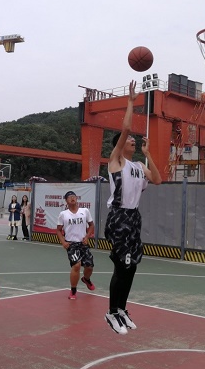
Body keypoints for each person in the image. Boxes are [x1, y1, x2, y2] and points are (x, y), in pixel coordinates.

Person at [104, 80, 162, 335]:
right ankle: (111, 312)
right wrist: (130, 102)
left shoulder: (138, 166)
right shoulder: (116, 161)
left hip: (133, 217)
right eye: (129, 140)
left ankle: (122, 309)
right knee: (121, 265)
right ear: (120, 144)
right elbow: (126, 127)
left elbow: (158, 180)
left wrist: (148, 154)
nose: (133, 141)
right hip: (118, 217)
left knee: (132, 265)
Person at [56, 191, 96, 300]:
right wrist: (63, 242)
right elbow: (58, 230)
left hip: (83, 243)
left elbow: (91, 225)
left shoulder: (84, 211)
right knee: (76, 265)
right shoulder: (63, 214)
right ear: (66, 201)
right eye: (70, 197)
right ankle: (73, 290)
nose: (72, 198)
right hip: (71, 244)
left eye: (74, 197)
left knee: (89, 266)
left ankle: (86, 279)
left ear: (77, 198)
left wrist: (87, 237)